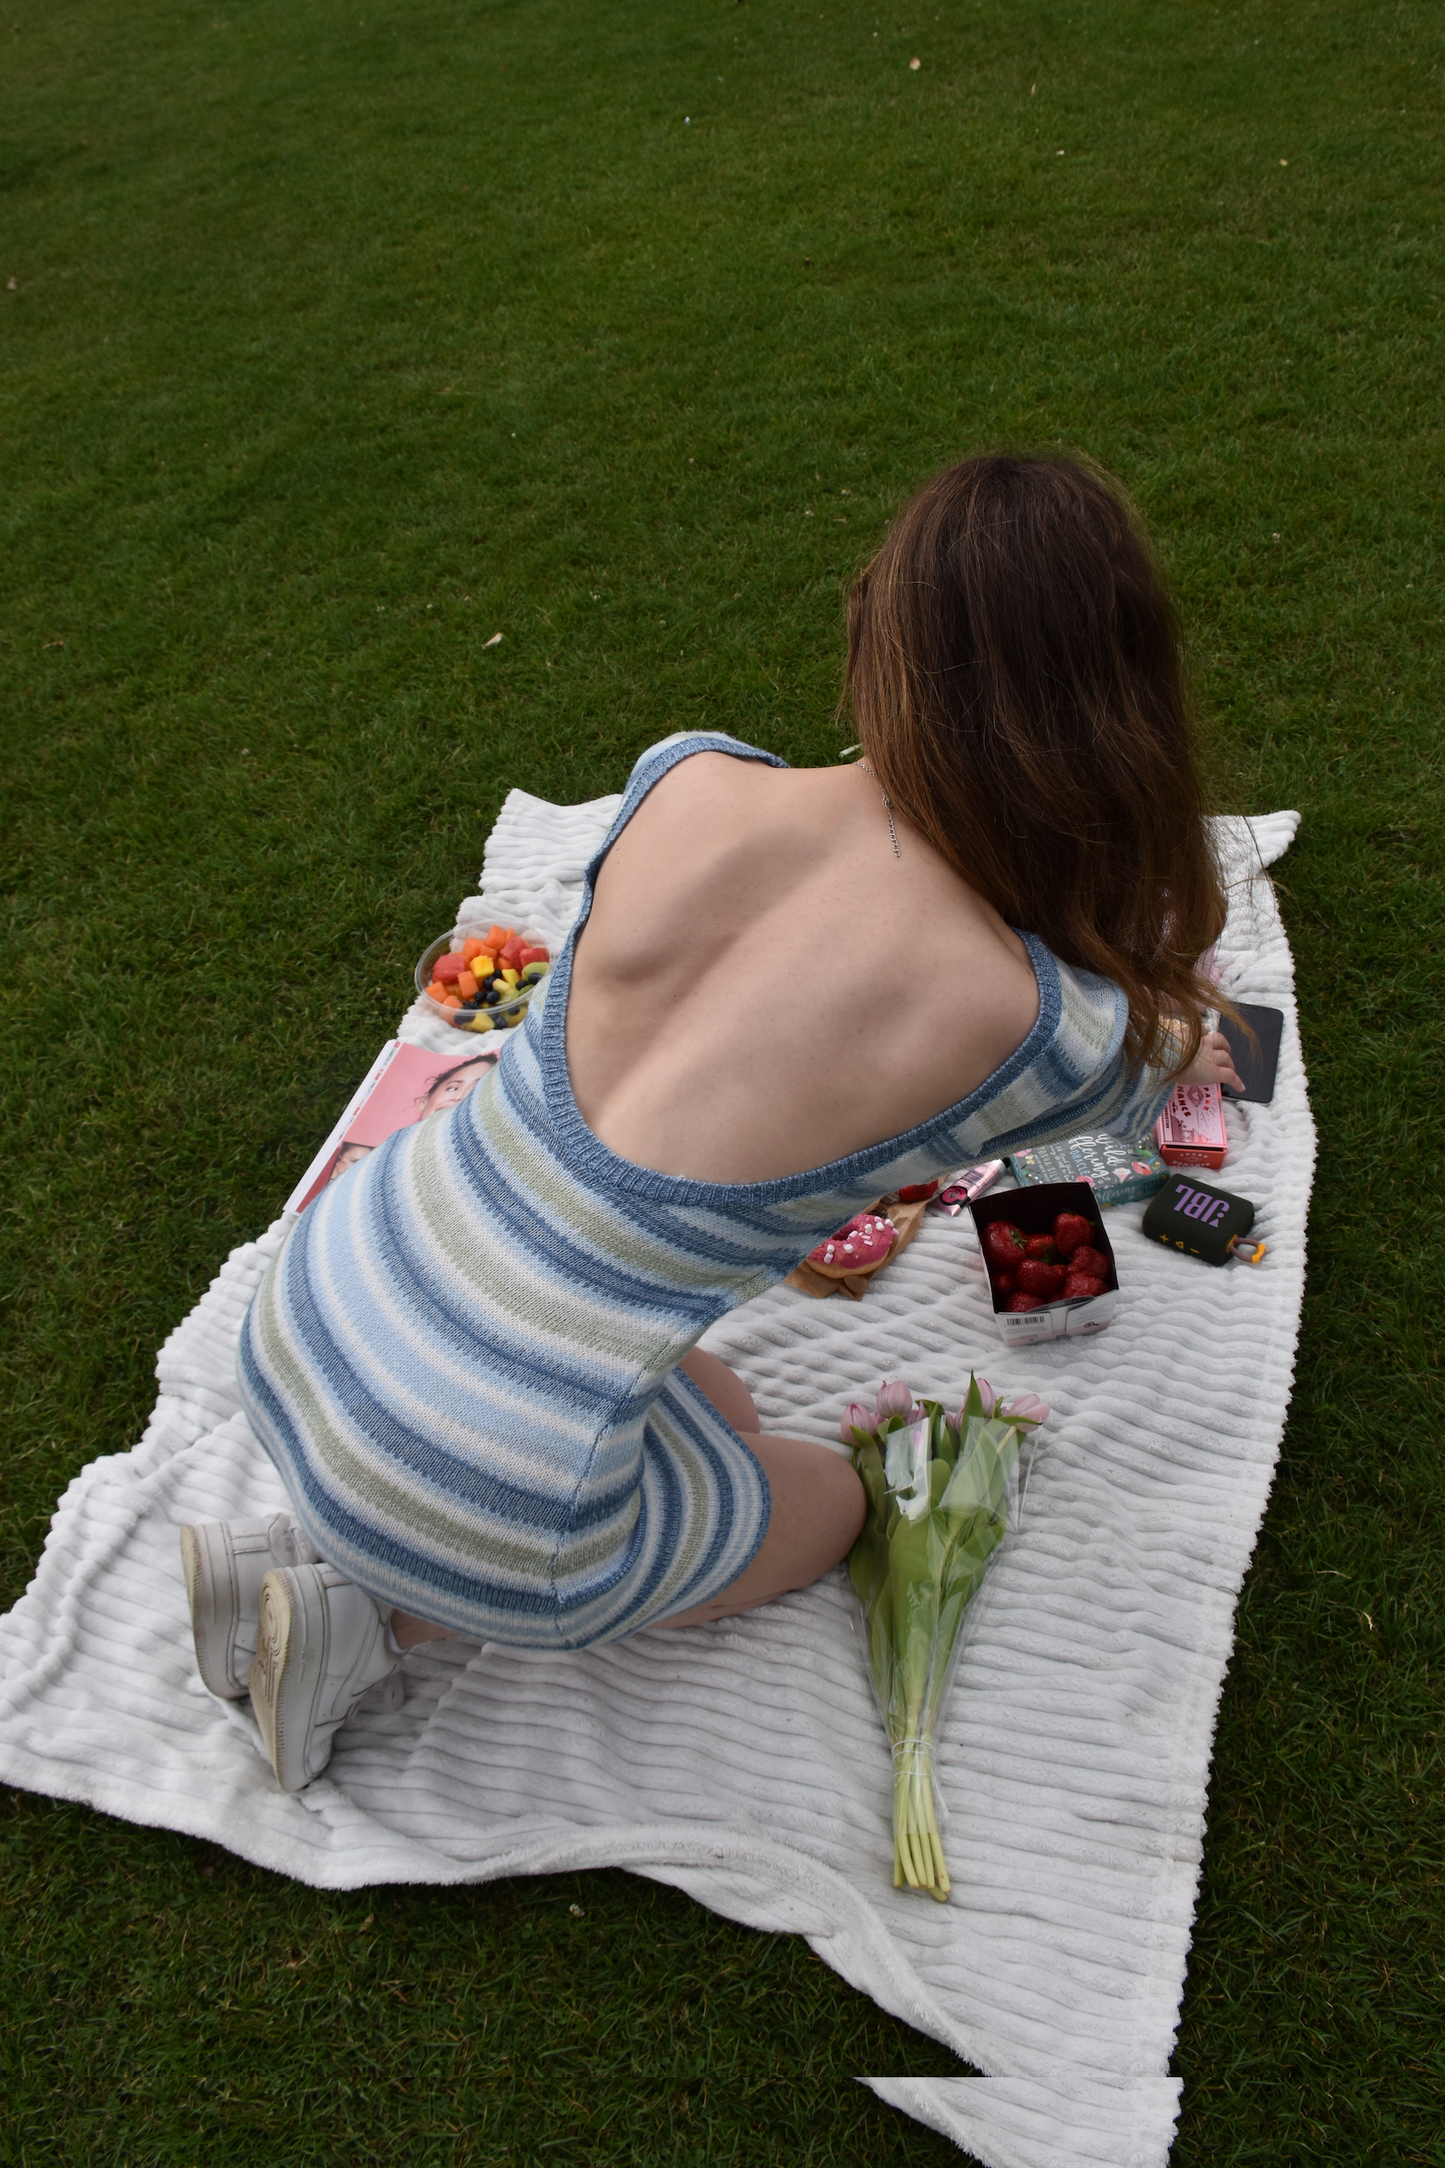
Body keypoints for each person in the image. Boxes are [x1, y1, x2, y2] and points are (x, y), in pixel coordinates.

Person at [182, 452, 1244, 1791]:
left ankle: (316, 1544)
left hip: (322, 1289)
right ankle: (364, 1618)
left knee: (723, 1403)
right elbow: (1150, 1062)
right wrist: (1184, 1024)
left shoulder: (689, 777)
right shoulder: (1038, 1024)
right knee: (837, 1499)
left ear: (881, 638)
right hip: (497, 1492)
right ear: (1120, 707)